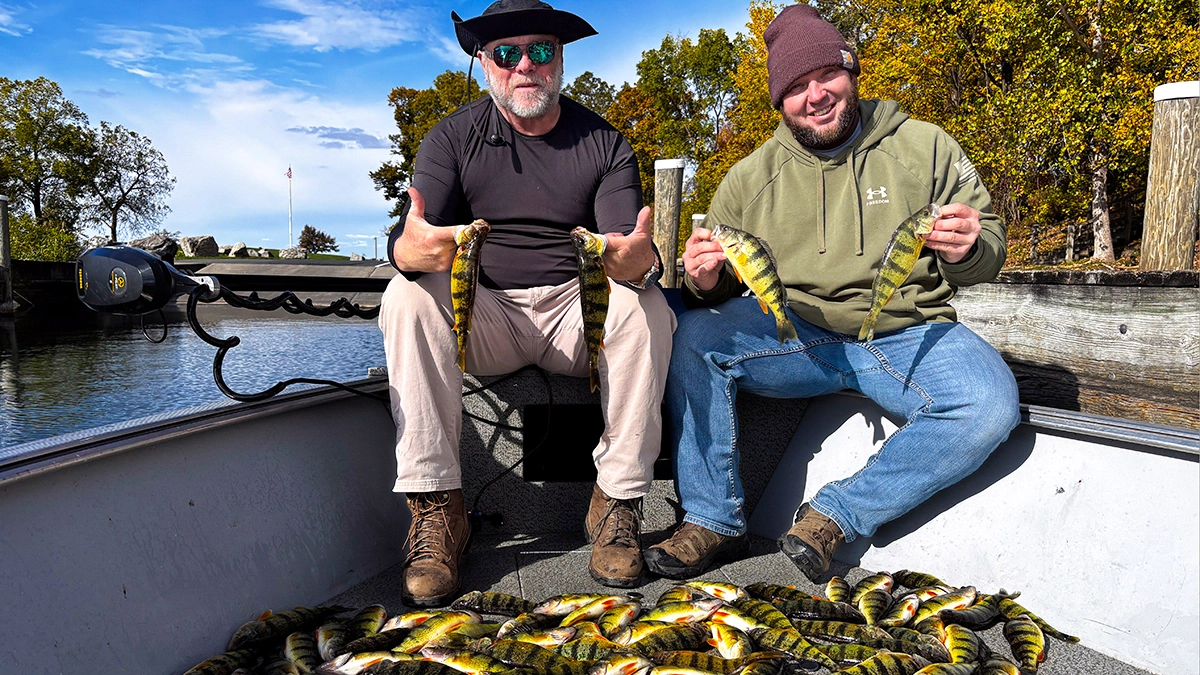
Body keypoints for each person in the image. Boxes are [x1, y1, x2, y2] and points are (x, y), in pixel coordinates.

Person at [643, 4, 1021, 582]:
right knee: (694, 336)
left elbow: (987, 251)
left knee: (990, 402)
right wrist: (702, 279)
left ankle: (835, 515)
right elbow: (707, 288)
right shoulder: (748, 178)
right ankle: (710, 518)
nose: (815, 95)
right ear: (779, 101)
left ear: (853, 72)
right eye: (795, 86)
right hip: (801, 339)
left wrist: (970, 246)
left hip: (909, 331)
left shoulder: (926, 146)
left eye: (827, 76)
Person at [378, 0, 674, 605]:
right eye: (506, 53)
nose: (524, 66)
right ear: (484, 64)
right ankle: (438, 510)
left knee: (648, 306)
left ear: (560, 60)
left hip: (574, 316)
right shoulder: (449, 138)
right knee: (404, 297)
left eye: (540, 50)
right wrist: (410, 250)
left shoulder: (605, 142)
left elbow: (626, 248)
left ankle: (617, 502)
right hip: (483, 314)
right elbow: (412, 238)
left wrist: (636, 260)